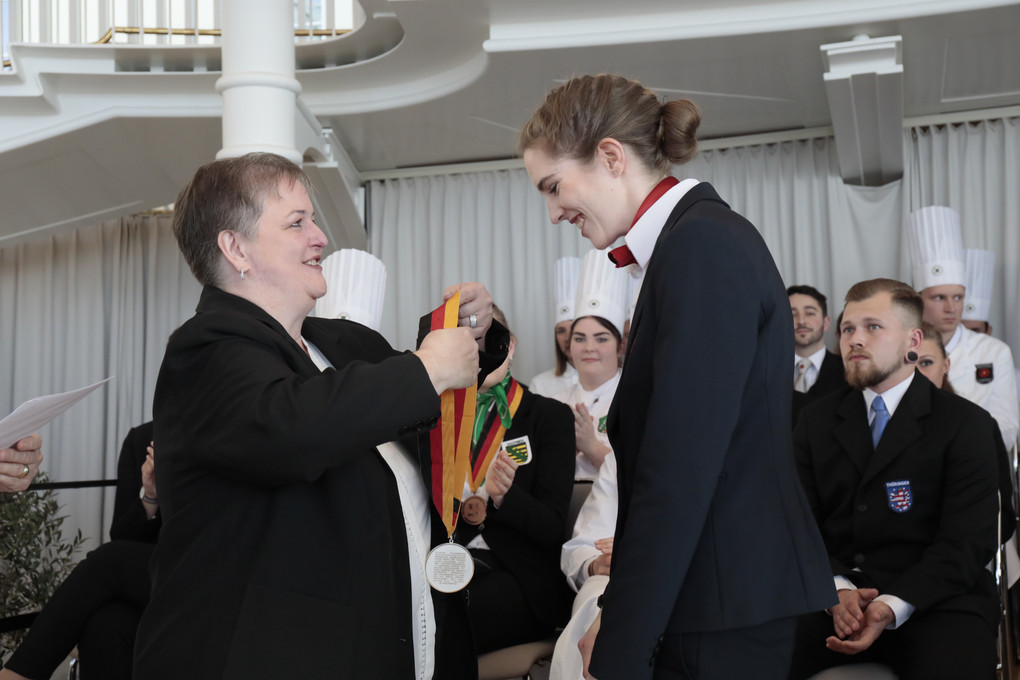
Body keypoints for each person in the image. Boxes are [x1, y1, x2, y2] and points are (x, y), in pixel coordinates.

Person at [132, 152, 494, 680]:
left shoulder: (343, 342)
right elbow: (292, 427)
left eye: (313, 220)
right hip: (274, 656)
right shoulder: (206, 348)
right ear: (236, 248)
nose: (320, 237)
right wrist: (428, 368)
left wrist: (469, 331)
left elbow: (417, 402)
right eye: (297, 223)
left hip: (404, 639)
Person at [520, 73, 834, 680]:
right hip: (712, 590)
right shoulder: (691, 242)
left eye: (554, 187)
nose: (554, 212)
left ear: (611, 157)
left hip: (721, 597)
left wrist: (624, 635)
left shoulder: (701, 246)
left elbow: (680, 467)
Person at [788, 278, 1000, 680]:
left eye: (873, 327)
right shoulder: (814, 420)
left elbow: (967, 542)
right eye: (848, 329)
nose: (855, 339)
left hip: (937, 601)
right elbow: (798, 524)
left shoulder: (966, 424)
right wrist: (836, 589)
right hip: (833, 599)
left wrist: (892, 604)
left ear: (912, 341)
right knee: (750, 656)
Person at [454, 304, 575, 653]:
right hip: (451, 564)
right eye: (466, 346)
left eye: (488, 343)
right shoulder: (438, 418)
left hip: (521, 576)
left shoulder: (548, 417)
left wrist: (506, 496)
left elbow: (552, 527)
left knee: (450, 619)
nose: (479, 357)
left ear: (511, 346)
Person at [1, 423, 158, 680]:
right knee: (106, 623)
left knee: (108, 560)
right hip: (153, 579)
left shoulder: (216, 436)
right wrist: (151, 496)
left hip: (202, 571)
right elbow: (123, 538)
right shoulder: (142, 438)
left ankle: (17, 674)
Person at [905, 206, 1018, 449]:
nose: (951, 308)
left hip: (976, 457)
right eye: (939, 298)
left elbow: (1007, 426)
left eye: (958, 297)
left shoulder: (994, 351)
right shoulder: (902, 346)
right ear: (918, 300)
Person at [552, 248, 629, 480]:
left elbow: (643, 473)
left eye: (601, 339)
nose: (589, 347)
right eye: (579, 338)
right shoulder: (555, 404)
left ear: (620, 346)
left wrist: (590, 446)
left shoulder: (636, 400)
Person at [551, 451, 619, 680]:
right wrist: (597, 564)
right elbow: (581, 547)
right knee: (597, 602)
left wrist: (638, 549)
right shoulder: (622, 457)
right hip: (615, 578)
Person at [789, 285, 848, 425]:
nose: (801, 321)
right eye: (792, 314)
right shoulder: (766, 373)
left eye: (810, 313)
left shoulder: (849, 371)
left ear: (826, 323)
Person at [531, 256, 581, 398]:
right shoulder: (540, 384)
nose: (567, 338)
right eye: (561, 331)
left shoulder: (614, 379)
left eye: (574, 328)